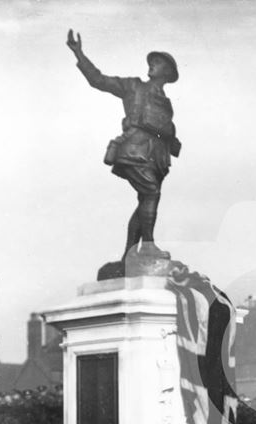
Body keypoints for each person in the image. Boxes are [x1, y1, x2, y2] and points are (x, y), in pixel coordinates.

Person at [66, 29, 181, 255]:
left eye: (157, 63)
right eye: (152, 61)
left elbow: (164, 130)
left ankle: (130, 254)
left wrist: (170, 139)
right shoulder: (133, 87)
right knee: (151, 194)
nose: (152, 65)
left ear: (167, 72)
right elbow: (98, 80)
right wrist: (79, 53)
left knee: (145, 201)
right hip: (134, 149)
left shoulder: (166, 103)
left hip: (155, 158)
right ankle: (147, 247)